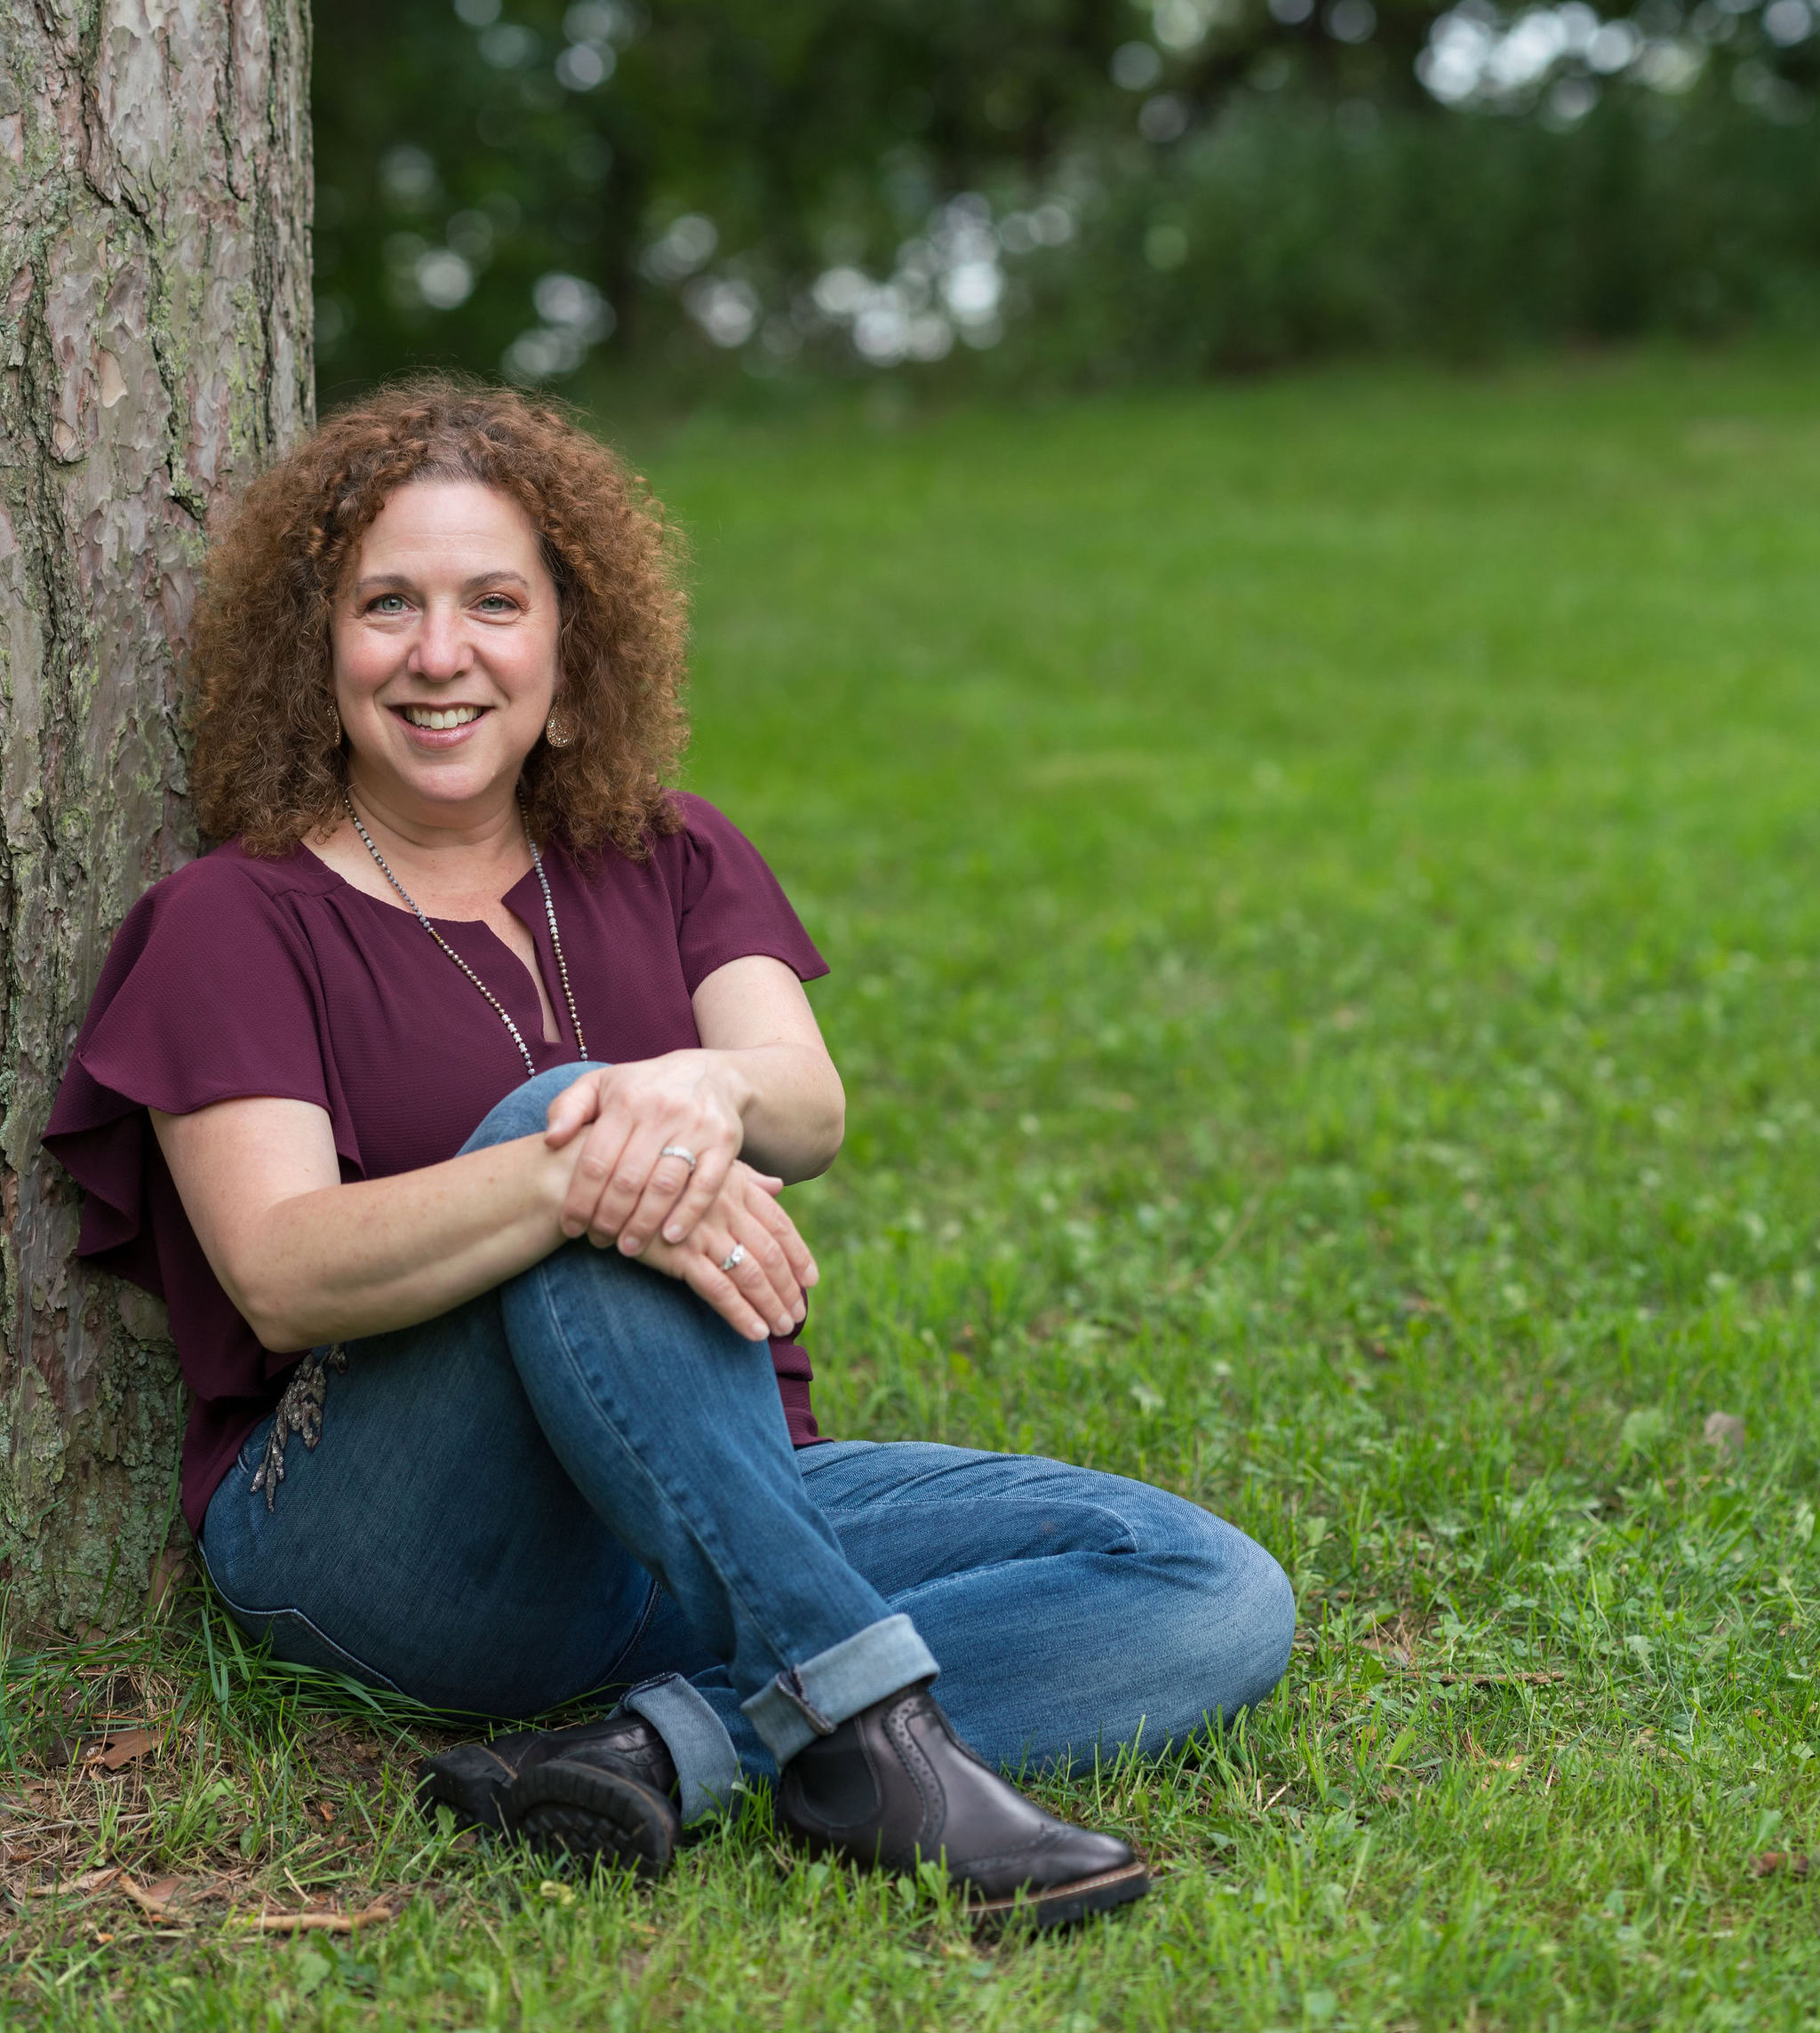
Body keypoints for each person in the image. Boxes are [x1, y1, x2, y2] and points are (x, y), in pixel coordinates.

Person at [44, 379, 1294, 1927]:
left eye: (496, 603)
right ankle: (861, 1736)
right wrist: (570, 1167)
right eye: (389, 607)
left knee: (1205, 1585)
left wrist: (699, 1092)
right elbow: (282, 1271)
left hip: (700, 1509)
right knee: (571, 1120)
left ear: (571, 654)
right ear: (320, 656)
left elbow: (807, 1104)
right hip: (392, 1537)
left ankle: (664, 1745)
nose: (443, 654)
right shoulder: (231, 920)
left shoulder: (670, 853)